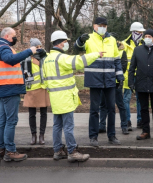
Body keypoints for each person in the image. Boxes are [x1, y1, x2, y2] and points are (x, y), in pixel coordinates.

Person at [43, 30, 103, 162]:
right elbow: (79, 62)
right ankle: (72, 152)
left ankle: (58, 151)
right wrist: (96, 54)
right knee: (68, 126)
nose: (66, 44)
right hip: (65, 97)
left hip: (55, 97)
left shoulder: (47, 59)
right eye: (65, 42)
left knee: (57, 126)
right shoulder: (61, 58)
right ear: (59, 43)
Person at [74, 17, 124, 147]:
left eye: (104, 25)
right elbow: (77, 48)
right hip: (94, 79)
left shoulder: (112, 40)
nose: (102, 27)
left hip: (109, 79)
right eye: (100, 25)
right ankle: (93, 137)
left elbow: (117, 59)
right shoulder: (88, 38)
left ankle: (112, 136)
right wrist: (79, 40)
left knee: (111, 109)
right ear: (94, 26)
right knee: (94, 109)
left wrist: (120, 77)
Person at [0, 27, 37, 162]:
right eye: (14, 36)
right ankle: (10, 151)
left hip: (4, 89)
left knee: (3, 121)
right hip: (10, 89)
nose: (15, 38)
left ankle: (2, 148)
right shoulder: (4, 47)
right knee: (11, 121)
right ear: (8, 36)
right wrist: (29, 51)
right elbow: (10, 59)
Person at [22, 38, 50, 145]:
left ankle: (41, 135)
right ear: (31, 48)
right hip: (31, 90)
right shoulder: (25, 59)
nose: (38, 49)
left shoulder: (45, 58)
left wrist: (45, 55)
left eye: (40, 47)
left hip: (43, 89)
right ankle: (33, 135)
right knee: (31, 114)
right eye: (36, 47)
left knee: (44, 113)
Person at [99, 40, 129, 135]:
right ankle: (102, 125)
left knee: (120, 105)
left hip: (116, 83)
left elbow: (123, 67)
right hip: (104, 83)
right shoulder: (103, 51)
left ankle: (124, 126)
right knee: (103, 105)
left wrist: (116, 77)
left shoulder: (121, 52)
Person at [121, 22, 146, 130]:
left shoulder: (144, 44)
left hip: (141, 75)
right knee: (126, 99)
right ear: (133, 32)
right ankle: (127, 121)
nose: (141, 34)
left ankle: (140, 121)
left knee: (140, 99)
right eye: (139, 32)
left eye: (142, 32)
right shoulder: (124, 44)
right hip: (128, 75)